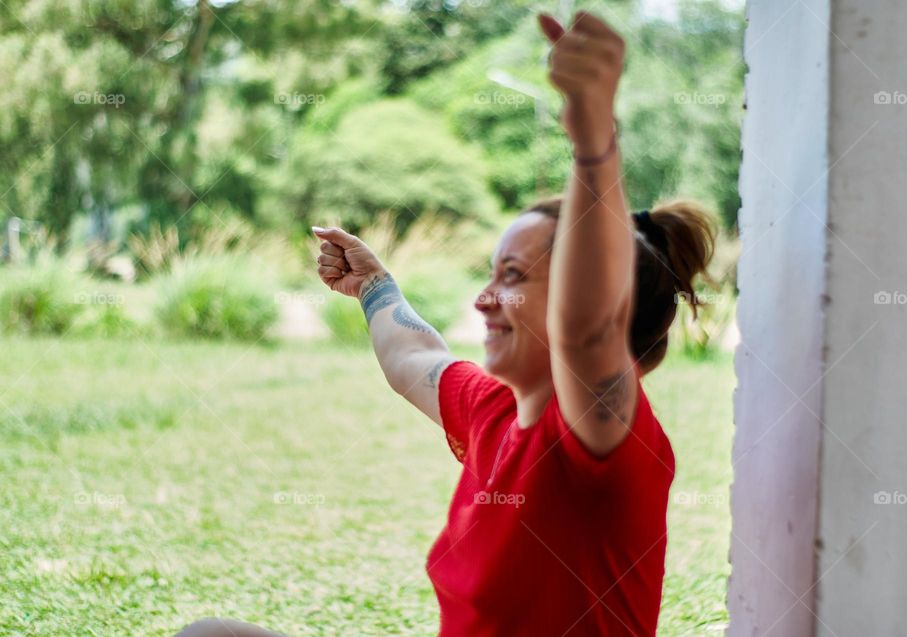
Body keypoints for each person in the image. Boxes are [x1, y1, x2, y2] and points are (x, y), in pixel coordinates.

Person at [175, 9, 715, 637]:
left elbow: (588, 322)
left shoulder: (600, 437)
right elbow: (414, 359)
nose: (485, 298)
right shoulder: (494, 411)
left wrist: (594, 138)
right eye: (492, 273)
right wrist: (375, 286)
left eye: (514, 276)